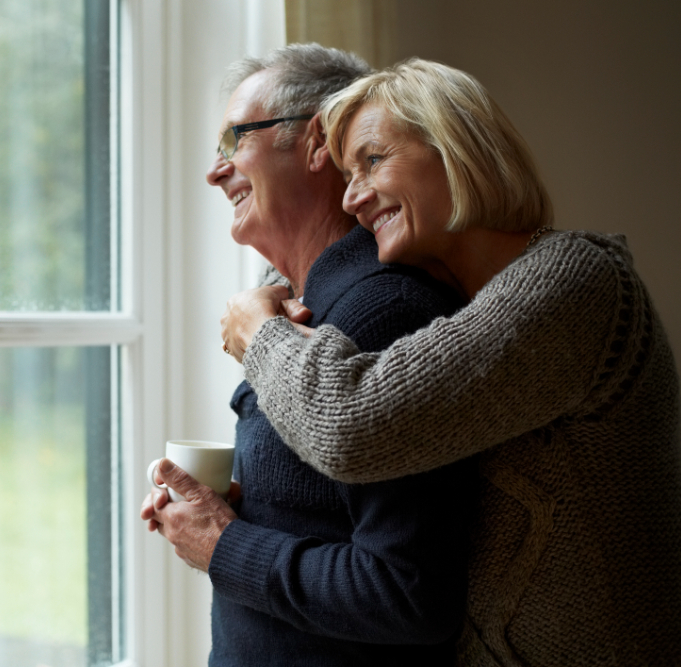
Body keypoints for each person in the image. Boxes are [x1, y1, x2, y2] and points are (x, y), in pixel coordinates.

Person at [218, 58, 681, 665]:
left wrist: (259, 330)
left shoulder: (577, 285)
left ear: (456, 148)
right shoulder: (463, 306)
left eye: (372, 160)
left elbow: (352, 425)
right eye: (344, 175)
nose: (353, 196)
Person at [141, 45, 477, 666]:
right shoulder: (300, 306)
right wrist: (226, 517)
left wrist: (223, 545)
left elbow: (408, 595)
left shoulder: (384, 313)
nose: (216, 174)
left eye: (235, 141)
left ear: (319, 141)